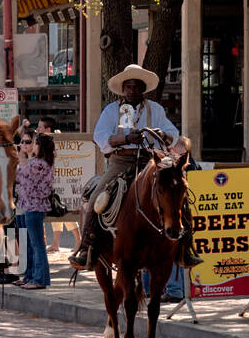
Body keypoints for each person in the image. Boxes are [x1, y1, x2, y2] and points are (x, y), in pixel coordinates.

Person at [69, 63, 202, 270]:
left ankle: (186, 247)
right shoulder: (111, 111)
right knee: (96, 198)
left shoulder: (155, 109)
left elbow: (173, 134)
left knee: (177, 195)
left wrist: (162, 134)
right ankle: (87, 247)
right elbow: (100, 136)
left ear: (143, 89)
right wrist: (125, 139)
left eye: (137, 87)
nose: (132, 91)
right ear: (123, 89)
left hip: (150, 161)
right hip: (120, 161)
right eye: (129, 87)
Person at [16, 132, 55, 289]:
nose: (34, 146)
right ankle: (33, 277)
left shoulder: (38, 164)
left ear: (41, 147)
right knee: (35, 245)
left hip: (33, 207)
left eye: (36, 143)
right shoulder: (44, 162)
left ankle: (39, 279)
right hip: (33, 207)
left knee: (37, 245)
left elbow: (20, 177)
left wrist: (22, 156)